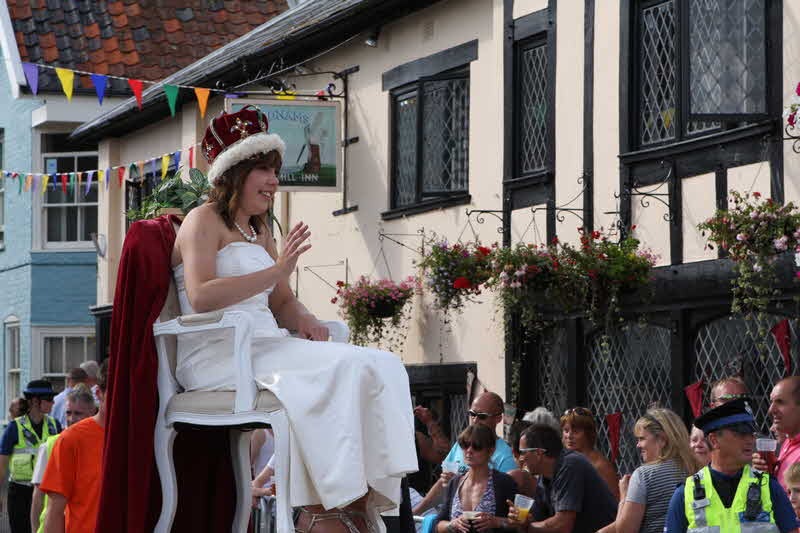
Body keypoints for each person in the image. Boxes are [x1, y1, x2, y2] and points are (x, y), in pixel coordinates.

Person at [172, 106, 416, 532]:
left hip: (268, 346)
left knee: (380, 364)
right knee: (343, 370)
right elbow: (201, 295)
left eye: (274, 169)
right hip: (220, 353)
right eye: (263, 170)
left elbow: (282, 302)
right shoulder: (201, 221)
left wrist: (305, 318)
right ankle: (321, 511)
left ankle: (353, 499)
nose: (273, 181)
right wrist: (276, 270)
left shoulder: (258, 229)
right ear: (234, 173)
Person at [665, 398, 798, 533]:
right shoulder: (684, 494)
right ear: (714, 440)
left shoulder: (769, 488)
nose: (750, 439)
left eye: (751, 433)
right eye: (740, 432)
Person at [597, 408, 700, 533]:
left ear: (662, 440)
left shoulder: (643, 475)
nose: (638, 445)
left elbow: (624, 530)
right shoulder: (697, 468)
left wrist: (624, 495)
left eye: (641, 439)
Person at [414, 392, 517, 515]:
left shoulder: (505, 455)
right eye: (472, 414)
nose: (475, 420)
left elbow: (506, 499)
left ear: (498, 418)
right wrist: (415, 513)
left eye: (482, 416)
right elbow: (443, 483)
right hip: (452, 513)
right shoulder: (462, 443)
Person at [509, 424, 617, 533]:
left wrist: (528, 527)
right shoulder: (545, 476)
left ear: (538, 453)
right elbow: (538, 519)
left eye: (523, 452)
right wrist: (523, 520)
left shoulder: (571, 465)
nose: (521, 458)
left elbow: (562, 525)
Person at [40, 361, 108, 533]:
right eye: (69, 413)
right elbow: (54, 511)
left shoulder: (143, 438)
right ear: (99, 393)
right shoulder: (71, 439)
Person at [30, 385, 96, 533]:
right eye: (68, 413)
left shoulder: (101, 444)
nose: (71, 419)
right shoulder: (50, 444)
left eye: (78, 413)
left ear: (93, 412)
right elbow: (37, 498)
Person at [0, 380, 60, 533]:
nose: (53, 403)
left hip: (46, 492)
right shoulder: (14, 427)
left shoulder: (55, 426)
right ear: (35, 401)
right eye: (49, 399)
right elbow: (2, 465)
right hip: (19, 493)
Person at [435, 424, 518, 533]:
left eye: (477, 446)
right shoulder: (455, 482)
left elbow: (520, 525)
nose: (469, 450)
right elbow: (437, 525)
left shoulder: (504, 482)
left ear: (491, 451)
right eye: (465, 445)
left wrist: (496, 522)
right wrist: (453, 524)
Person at [560, 407, 619, 500]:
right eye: (566, 430)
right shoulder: (565, 460)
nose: (569, 436)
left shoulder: (600, 466)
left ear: (588, 433)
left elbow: (616, 501)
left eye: (576, 431)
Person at [754, 376, 800, 491]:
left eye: (780, 402)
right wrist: (767, 473)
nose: (771, 410)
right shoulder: (789, 441)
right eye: (771, 402)